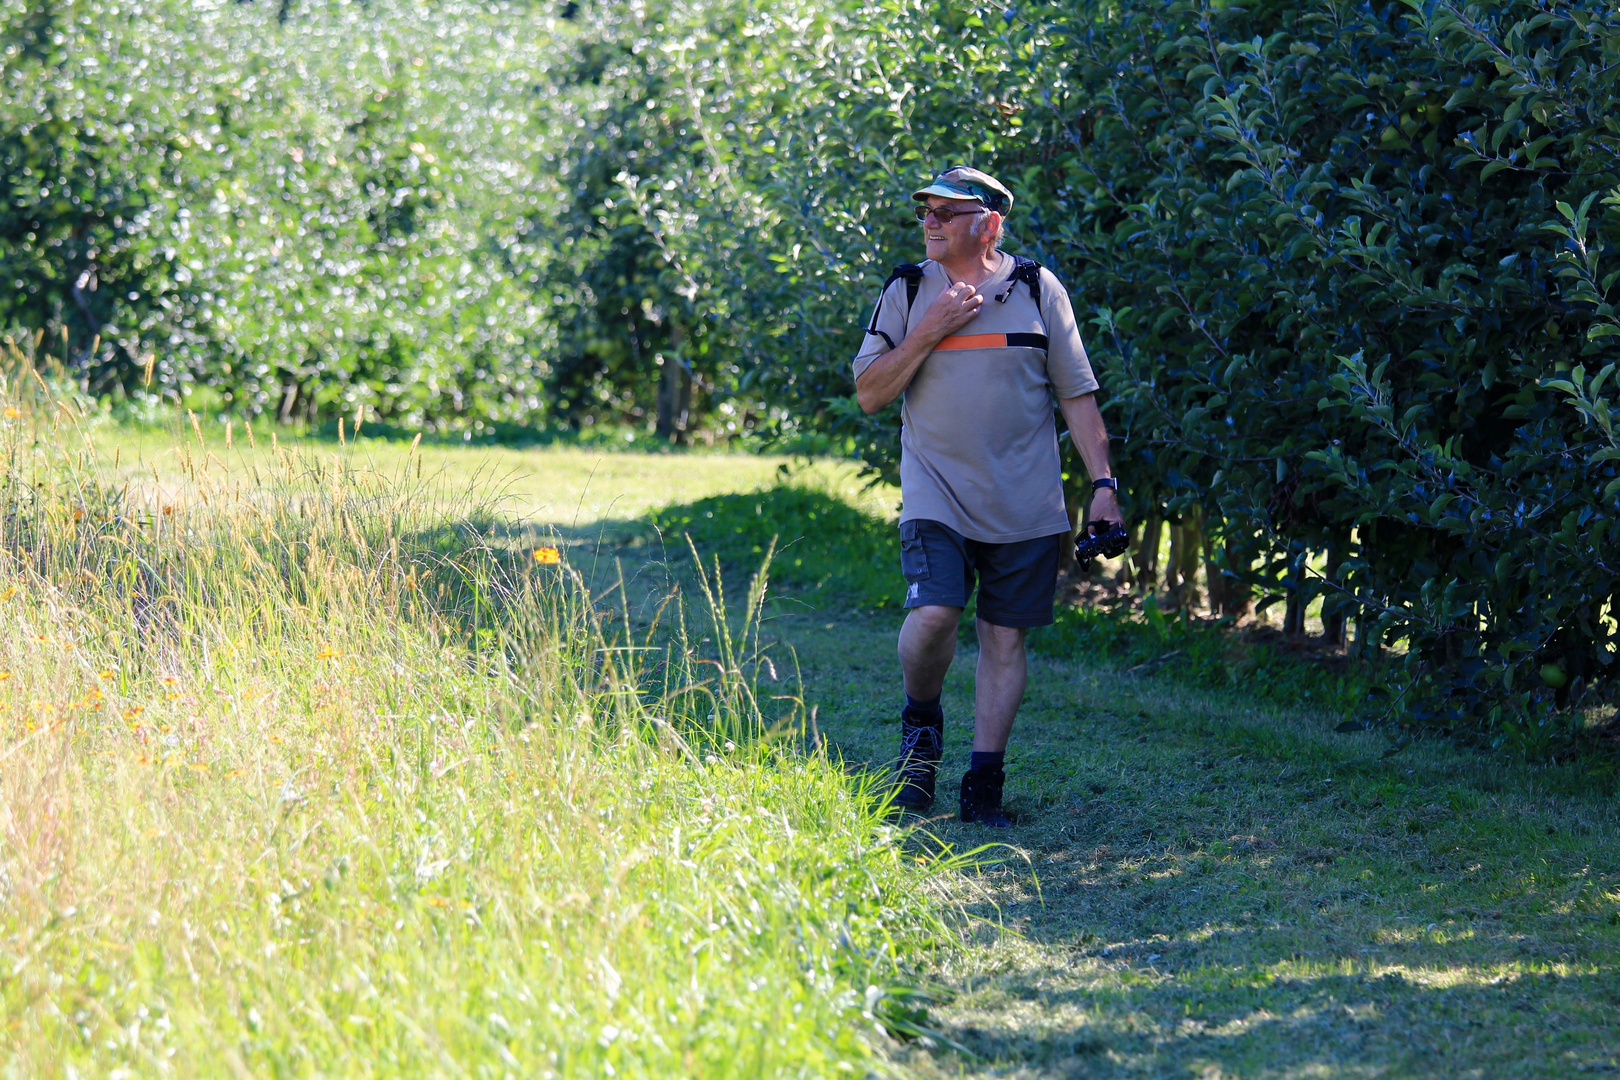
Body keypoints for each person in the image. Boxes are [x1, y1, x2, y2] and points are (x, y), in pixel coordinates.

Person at [851, 165, 1121, 827]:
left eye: (948, 211)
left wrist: (1104, 487)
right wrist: (929, 329)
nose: (930, 222)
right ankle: (920, 735)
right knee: (936, 613)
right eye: (926, 211)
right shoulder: (908, 290)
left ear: (990, 224)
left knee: (1005, 641)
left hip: (1026, 500)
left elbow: (1077, 397)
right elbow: (870, 393)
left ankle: (983, 786)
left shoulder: (1038, 288)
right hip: (935, 492)